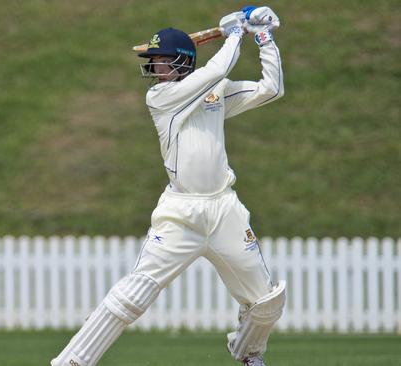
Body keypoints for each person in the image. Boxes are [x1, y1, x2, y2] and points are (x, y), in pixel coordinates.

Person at [51, 6, 285, 366]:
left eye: (160, 60)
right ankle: (72, 362)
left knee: (266, 303)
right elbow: (217, 69)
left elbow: (271, 89)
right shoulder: (160, 98)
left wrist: (264, 38)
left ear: (181, 61)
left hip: (225, 210)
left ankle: (249, 354)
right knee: (134, 294)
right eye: (154, 61)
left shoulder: (214, 94)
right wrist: (237, 32)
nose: (154, 68)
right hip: (180, 215)